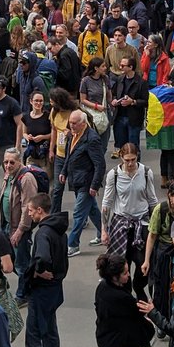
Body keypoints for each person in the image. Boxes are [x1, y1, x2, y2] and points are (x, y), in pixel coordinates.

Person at [21, 191, 69, 347]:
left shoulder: (42, 233)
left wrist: (37, 270)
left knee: (33, 337)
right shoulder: (59, 229)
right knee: (50, 329)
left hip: (42, 291)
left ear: (40, 210)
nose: (29, 214)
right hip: (55, 288)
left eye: (31, 211)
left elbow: (41, 258)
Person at [101, 142, 158, 301]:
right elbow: (106, 203)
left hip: (142, 223)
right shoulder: (114, 175)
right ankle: (125, 295)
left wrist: (156, 224)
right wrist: (104, 230)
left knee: (143, 264)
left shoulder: (146, 172)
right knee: (120, 265)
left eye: (133, 159)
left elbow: (152, 200)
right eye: (127, 160)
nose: (131, 163)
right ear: (121, 157)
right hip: (121, 224)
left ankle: (139, 288)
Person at [61, 106, 105, 255]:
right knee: (92, 210)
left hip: (87, 182)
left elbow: (100, 164)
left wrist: (95, 185)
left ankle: (73, 245)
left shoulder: (92, 139)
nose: (71, 126)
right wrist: (64, 171)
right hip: (76, 180)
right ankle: (105, 233)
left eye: (74, 123)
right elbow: (69, 155)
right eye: (70, 122)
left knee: (79, 213)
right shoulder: (73, 135)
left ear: (83, 123)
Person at [0, 148, 39, 304]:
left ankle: (23, 295)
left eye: (11, 162)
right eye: (6, 162)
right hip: (7, 226)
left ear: (19, 162)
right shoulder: (8, 175)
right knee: (12, 260)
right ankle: (31, 281)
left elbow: (28, 207)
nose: (8, 165)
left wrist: (20, 230)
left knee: (21, 264)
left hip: (19, 228)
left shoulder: (26, 179)